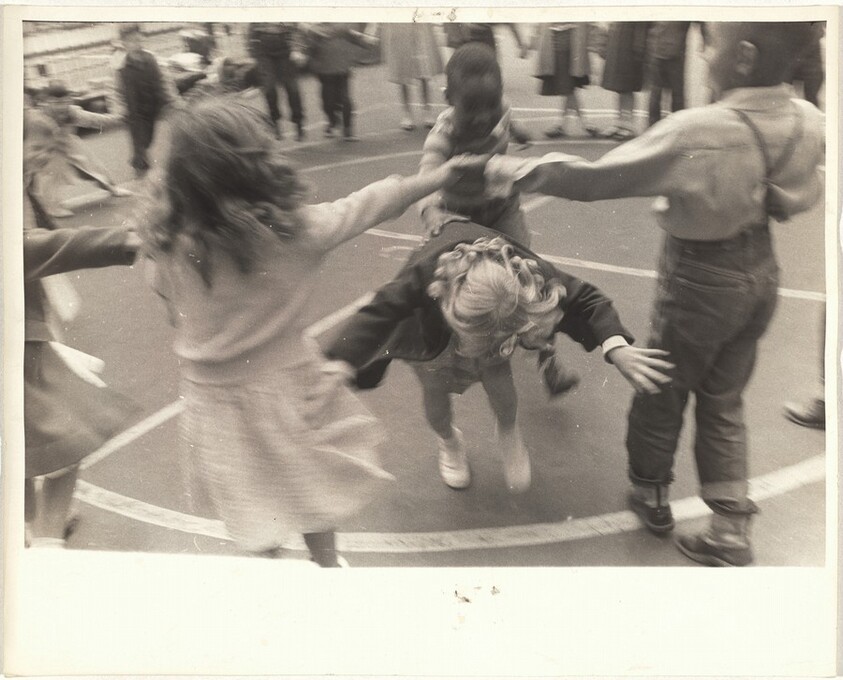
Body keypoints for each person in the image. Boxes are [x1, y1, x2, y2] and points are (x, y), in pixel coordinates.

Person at [483, 22, 825, 566]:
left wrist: (518, 169)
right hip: (761, 271)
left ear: (742, 57)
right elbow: (806, 190)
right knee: (723, 399)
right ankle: (731, 527)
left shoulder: (700, 130)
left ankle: (650, 490)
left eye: (709, 44)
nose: (704, 53)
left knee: (661, 388)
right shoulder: (808, 120)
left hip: (700, 278)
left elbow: (598, 180)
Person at [136, 97, 481, 566]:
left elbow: (169, 308)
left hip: (212, 400)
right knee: (310, 480)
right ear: (253, 166)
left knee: (249, 496)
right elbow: (369, 204)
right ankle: (326, 563)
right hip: (287, 385)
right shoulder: (293, 233)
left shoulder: (165, 244)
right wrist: (439, 177)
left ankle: (276, 568)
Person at [325, 222, 673, 493]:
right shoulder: (423, 277)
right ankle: (449, 442)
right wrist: (340, 362)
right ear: (447, 302)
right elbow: (379, 311)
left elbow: (587, 298)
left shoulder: (523, 271)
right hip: (430, 341)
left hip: (492, 322)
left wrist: (617, 345)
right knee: (435, 393)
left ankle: (507, 432)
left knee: (500, 384)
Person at [418, 43, 578, 398]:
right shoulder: (443, 136)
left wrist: (518, 131)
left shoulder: (497, 108)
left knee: (531, 277)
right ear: (448, 98)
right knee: (468, 287)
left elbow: (505, 116)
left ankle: (549, 361)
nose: (481, 117)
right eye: (470, 108)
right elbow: (428, 174)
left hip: (503, 209)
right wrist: (431, 210)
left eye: (489, 106)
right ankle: (462, 343)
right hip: (461, 218)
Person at [23, 109, 141, 548]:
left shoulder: (25, 183)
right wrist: (123, 239)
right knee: (60, 434)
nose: (40, 156)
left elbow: (39, 234)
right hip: (18, 333)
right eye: (33, 147)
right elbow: (27, 245)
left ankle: (40, 533)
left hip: (29, 320)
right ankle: (44, 541)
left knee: (48, 442)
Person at [30, 80, 132, 218]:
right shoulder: (38, 117)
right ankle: (52, 207)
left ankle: (112, 188)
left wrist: (118, 119)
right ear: (47, 102)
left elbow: (95, 120)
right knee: (51, 175)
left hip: (67, 141)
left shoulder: (72, 112)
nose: (62, 107)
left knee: (92, 164)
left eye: (65, 102)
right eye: (57, 103)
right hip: (44, 148)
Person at [108, 23, 181, 178]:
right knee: (141, 144)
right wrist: (118, 109)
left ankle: (167, 170)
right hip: (135, 111)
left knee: (159, 140)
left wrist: (174, 99)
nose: (137, 43)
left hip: (156, 106)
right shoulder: (119, 66)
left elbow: (165, 80)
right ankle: (141, 173)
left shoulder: (151, 58)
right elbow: (114, 91)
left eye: (138, 39)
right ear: (124, 43)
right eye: (131, 40)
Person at [302, 23, 378, 142]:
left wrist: (367, 42)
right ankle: (333, 121)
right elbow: (309, 48)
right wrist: (305, 56)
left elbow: (354, 37)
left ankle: (347, 130)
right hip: (325, 72)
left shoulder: (341, 27)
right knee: (328, 101)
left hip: (342, 69)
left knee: (345, 99)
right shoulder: (315, 31)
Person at [534, 23, 599, 139]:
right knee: (567, 87)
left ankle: (568, 124)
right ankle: (576, 123)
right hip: (559, 39)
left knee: (567, 87)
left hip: (568, 39)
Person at [247, 23, 307, 141]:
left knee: (292, 88)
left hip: (285, 48)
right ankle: (275, 123)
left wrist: (297, 49)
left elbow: (296, 29)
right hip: (263, 51)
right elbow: (251, 33)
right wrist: (252, 54)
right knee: (269, 89)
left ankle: (298, 122)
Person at [381, 23, 444, 131]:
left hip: (419, 29)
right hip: (399, 30)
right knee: (403, 72)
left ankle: (427, 111)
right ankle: (407, 114)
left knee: (424, 72)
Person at [599, 22, 650, 140]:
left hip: (630, 51)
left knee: (627, 88)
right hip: (617, 47)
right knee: (619, 88)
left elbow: (641, 30)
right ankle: (619, 124)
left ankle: (628, 126)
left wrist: (639, 51)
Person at [646, 22, 690, 127]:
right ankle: (678, 125)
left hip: (656, 48)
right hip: (676, 50)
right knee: (677, 93)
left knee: (655, 91)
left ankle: (653, 126)